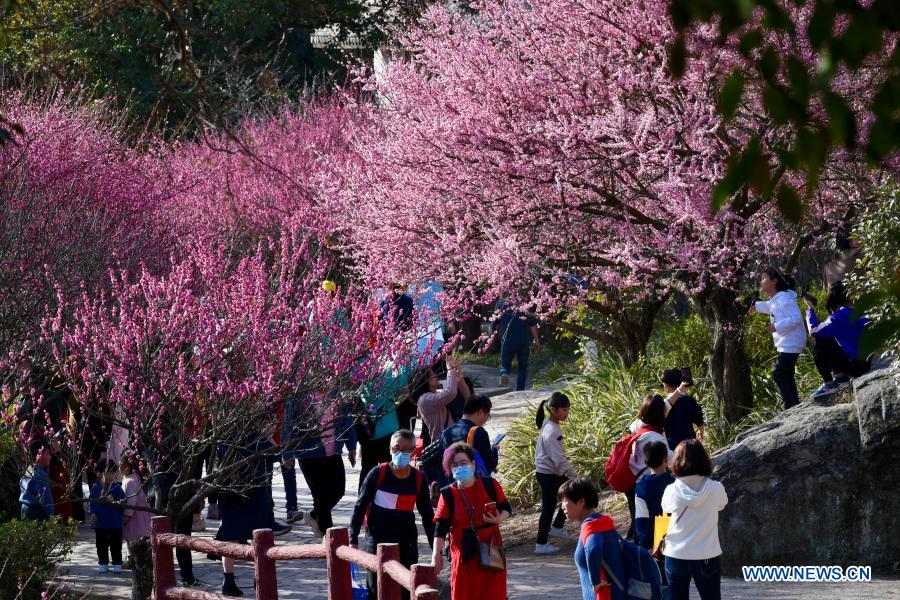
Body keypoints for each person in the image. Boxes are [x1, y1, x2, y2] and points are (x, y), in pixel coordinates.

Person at [350, 430, 435, 600]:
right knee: (375, 590)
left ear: (413, 452)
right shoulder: (377, 473)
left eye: (407, 450)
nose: (401, 454)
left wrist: (436, 549)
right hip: (376, 542)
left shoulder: (418, 478)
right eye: (397, 448)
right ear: (390, 449)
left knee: (405, 590)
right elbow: (360, 506)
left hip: (406, 544)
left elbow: (427, 515)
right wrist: (353, 538)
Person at [431, 443, 511, 600]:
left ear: (473, 464)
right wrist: (436, 554)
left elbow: (506, 507)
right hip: (464, 553)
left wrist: (499, 518)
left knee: (494, 593)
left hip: (491, 549)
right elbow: (440, 528)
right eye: (454, 464)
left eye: (463, 463)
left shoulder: (490, 485)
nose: (459, 467)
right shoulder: (447, 494)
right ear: (449, 468)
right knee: (464, 593)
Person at [661, 440, 728, 600]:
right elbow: (722, 505)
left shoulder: (671, 491)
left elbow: (666, 512)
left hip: (676, 553)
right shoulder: (716, 488)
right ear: (704, 460)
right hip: (707, 554)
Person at [296, 398, 357, 537]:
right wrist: (287, 454)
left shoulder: (337, 393)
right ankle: (328, 536)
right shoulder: (300, 397)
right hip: (309, 453)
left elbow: (347, 421)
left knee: (338, 490)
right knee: (321, 496)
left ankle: (314, 515)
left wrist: (352, 446)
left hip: (333, 452)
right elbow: (289, 423)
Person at [558, 478, 626, 600]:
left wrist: (595, 581)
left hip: (604, 595)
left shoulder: (591, 526)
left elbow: (594, 548)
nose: (562, 505)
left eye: (564, 500)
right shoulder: (603, 522)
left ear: (581, 502)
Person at [749, 267, 806, 409]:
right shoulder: (777, 299)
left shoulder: (784, 298)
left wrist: (777, 326)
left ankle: (791, 404)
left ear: (774, 281)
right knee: (785, 373)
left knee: (779, 373)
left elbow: (796, 318)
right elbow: (769, 306)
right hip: (788, 342)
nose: (760, 281)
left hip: (791, 341)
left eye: (763, 278)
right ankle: (793, 403)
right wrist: (753, 306)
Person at [804, 282, 870, 396]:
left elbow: (814, 331)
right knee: (831, 338)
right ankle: (840, 377)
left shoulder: (837, 317)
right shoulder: (861, 310)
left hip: (858, 366)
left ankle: (831, 383)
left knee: (821, 341)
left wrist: (810, 309)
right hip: (871, 360)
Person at [534, 392, 578, 555]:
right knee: (549, 507)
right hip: (548, 474)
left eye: (567, 410)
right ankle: (541, 543)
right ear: (553, 410)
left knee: (570, 494)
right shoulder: (552, 430)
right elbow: (558, 459)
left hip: (550, 472)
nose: (566, 413)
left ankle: (557, 526)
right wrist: (573, 475)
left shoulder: (550, 423)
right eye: (564, 410)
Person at [626, 395, 672, 540]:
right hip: (654, 484)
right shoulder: (655, 438)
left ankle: (640, 546)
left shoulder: (637, 427)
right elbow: (672, 459)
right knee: (656, 522)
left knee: (639, 520)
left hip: (635, 481)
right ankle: (655, 551)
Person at [356, 363, 406, 492]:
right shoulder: (388, 376)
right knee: (389, 467)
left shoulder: (361, 378)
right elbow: (404, 385)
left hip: (368, 431)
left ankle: (364, 498)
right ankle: (388, 495)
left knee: (367, 468)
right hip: (387, 430)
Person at [441, 394, 499, 477]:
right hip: (472, 484)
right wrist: (494, 450)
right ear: (480, 412)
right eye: (487, 415)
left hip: (454, 483)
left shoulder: (446, 432)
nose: (486, 420)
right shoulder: (478, 432)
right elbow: (489, 465)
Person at [634, 441, 675, 556]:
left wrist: (645, 545)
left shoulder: (641, 487)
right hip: (677, 539)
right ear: (665, 459)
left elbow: (641, 520)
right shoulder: (675, 483)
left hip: (656, 545)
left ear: (646, 462)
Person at [416, 356, 463, 446]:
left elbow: (453, 386)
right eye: (432, 375)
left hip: (449, 439)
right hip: (444, 443)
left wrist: (455, 371)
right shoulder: (425, 399)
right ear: (425, 381)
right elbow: (450, 392)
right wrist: (449, 370)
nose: (436, 376)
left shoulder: (433, 395)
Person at [90, 458, 126, 574]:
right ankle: (103, 563)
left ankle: (117, 564)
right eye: (109, 472)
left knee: (116, 545)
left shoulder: (117, 488)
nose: (112, 475)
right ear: (101, 473)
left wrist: (116, 501)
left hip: (115, 522)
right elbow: (92, 504)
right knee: (101, 545)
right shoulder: (95, 488)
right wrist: (93, 514)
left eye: (113, 473)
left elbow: (124, 502)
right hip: (101, 523)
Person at [495, 305, 540, 391]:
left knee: (505, 363)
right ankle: (520, 389)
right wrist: (537, 340)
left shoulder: (502, 305)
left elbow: (496, 324)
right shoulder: (527, 305)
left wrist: (498, 335)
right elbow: (533, 325)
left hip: (507, 340)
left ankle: (504, 374)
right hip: (523, 340)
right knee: (522, 366)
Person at [659, 370, 704, 450]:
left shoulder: (664, 404)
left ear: (666, 385)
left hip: (672, 445)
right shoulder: (689, 400)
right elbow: (698, 419)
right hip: (689, 442)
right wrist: (701, 432)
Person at [19, 443, 54, 521]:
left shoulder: (29, 469)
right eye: (47, 454)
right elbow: (46, 498)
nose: (50, 457)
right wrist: (51, 515)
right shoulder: (40, 474)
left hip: (24, 509)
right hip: (36, 512)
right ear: (38, 455)